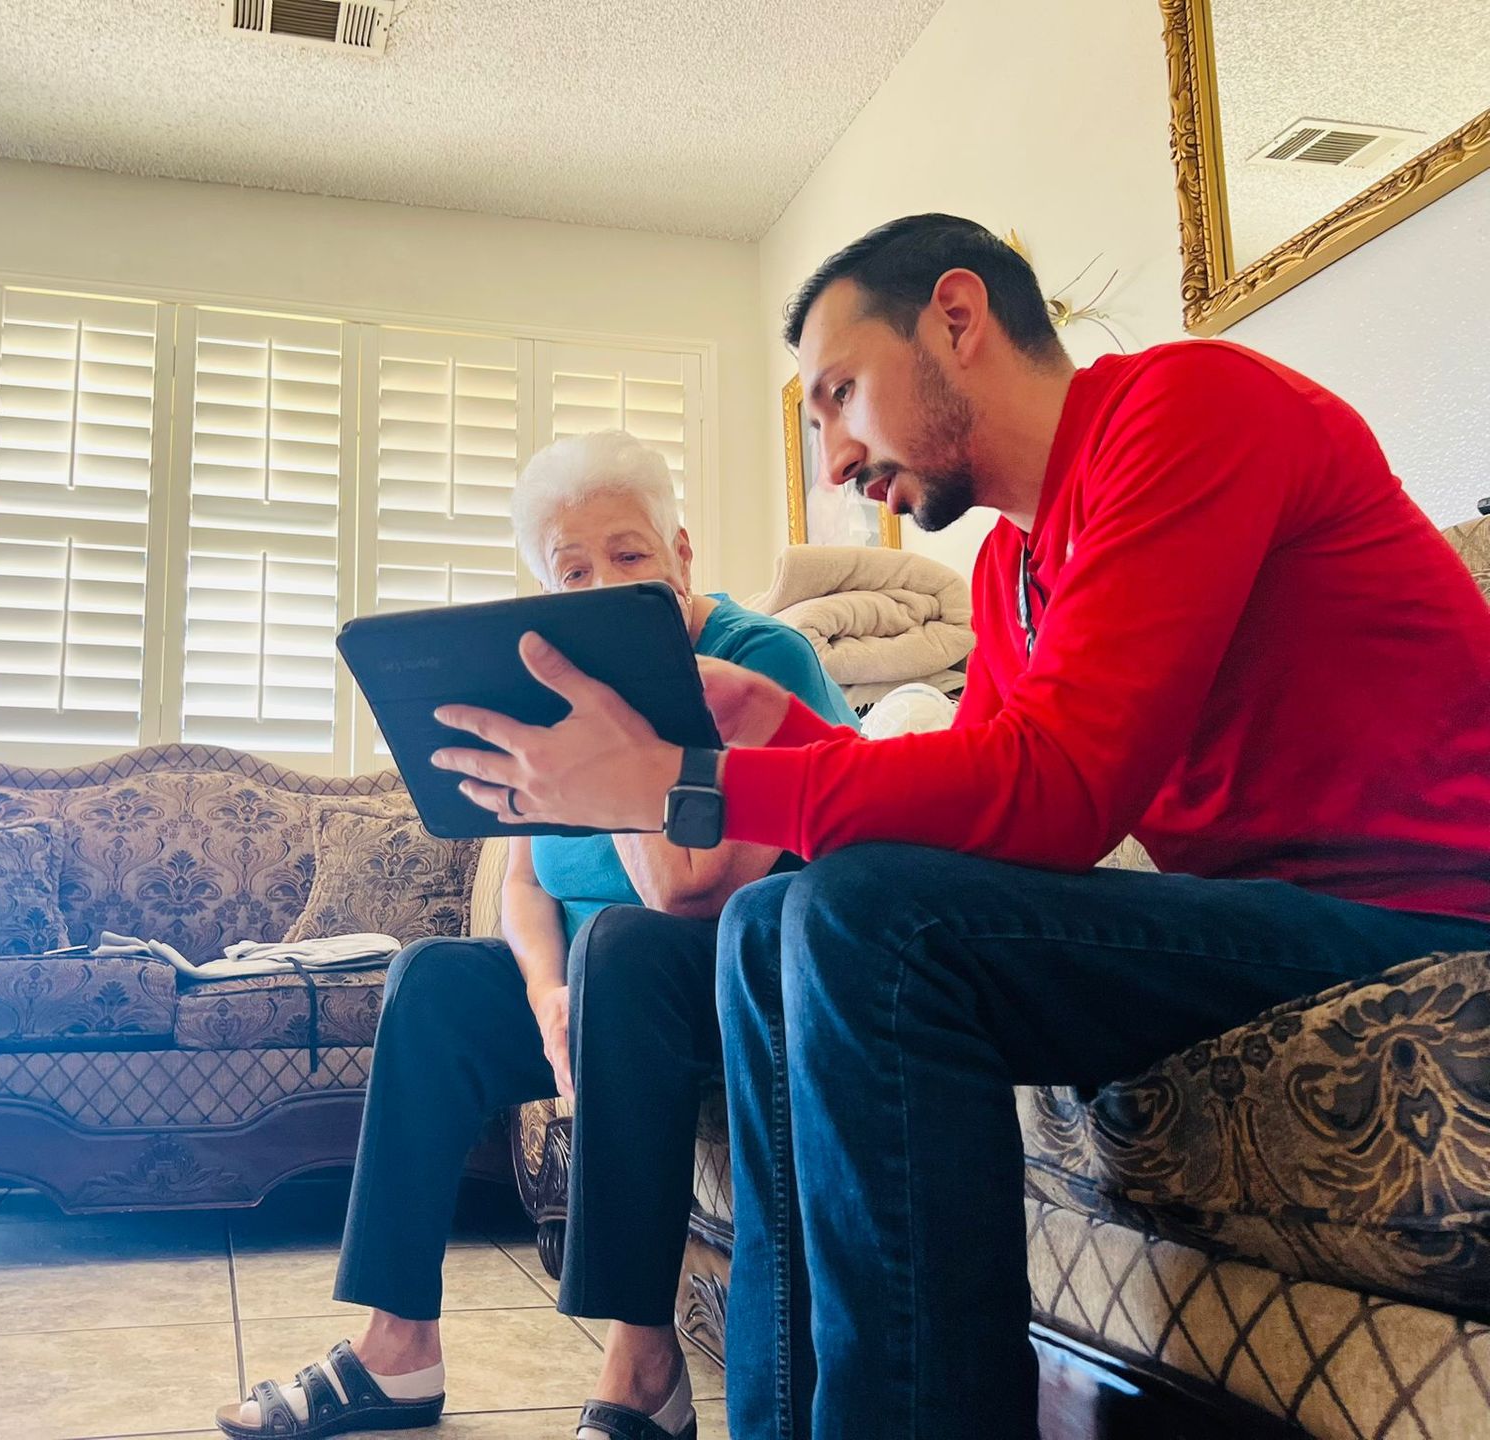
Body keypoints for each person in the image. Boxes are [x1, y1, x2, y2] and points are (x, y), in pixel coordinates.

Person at [426, 215, 1490, 1439]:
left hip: (1422, 920)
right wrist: (775, 727)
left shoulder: (1188, 410)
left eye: (837, 394)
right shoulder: (1012, 573)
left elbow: (1060, 791)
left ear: (958, 317)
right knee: (776, 917)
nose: (830, 459)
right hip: (1266, 929)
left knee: (860, 920)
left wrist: (688, 786)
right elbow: (983, 823)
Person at [215, 430, 856, 1440]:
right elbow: (521, 881)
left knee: (624, 952)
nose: (604, 585)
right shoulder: (548, 697)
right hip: (600, 994)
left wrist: (623, 741)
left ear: (682, 553)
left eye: (630, 555)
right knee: (432, 981)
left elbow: (688, 896)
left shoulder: (758, 659)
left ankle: (644, 1366)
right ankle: (398, 1348)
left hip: (724, 985)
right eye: (574, 571)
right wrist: (546, 997)